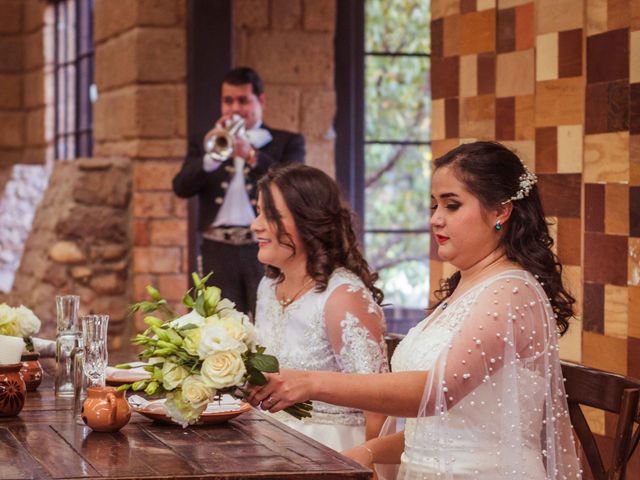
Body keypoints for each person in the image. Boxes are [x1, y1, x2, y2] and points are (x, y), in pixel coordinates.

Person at [247, 142, 583, 479]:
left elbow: (437, 392)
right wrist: (369, 450)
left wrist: (310, 382)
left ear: (500, 212)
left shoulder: (510, 291)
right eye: (434, 205)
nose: (435, 219)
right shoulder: (464, 289)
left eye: (452, 206)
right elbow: (438, 430)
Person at [250, 164, 389, 452]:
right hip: (264, 438)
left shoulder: (342, 296)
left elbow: (378, 406)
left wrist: (370, 469)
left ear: (307, 221)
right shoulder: (268, 286)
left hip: (330, 448)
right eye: (258, 211)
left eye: (271, 215)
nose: (256, 225)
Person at [173, 67, 305, 316]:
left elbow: (295, 185)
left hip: (265, 247)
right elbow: (181, 187)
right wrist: (211, 157)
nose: (234, 108)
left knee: (269, 319)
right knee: (219, 324)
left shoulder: (286, 141)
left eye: (243, 100)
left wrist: (252, 156)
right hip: (217, 249)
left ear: (260, 100)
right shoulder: (205, 142)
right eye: (228, 101)